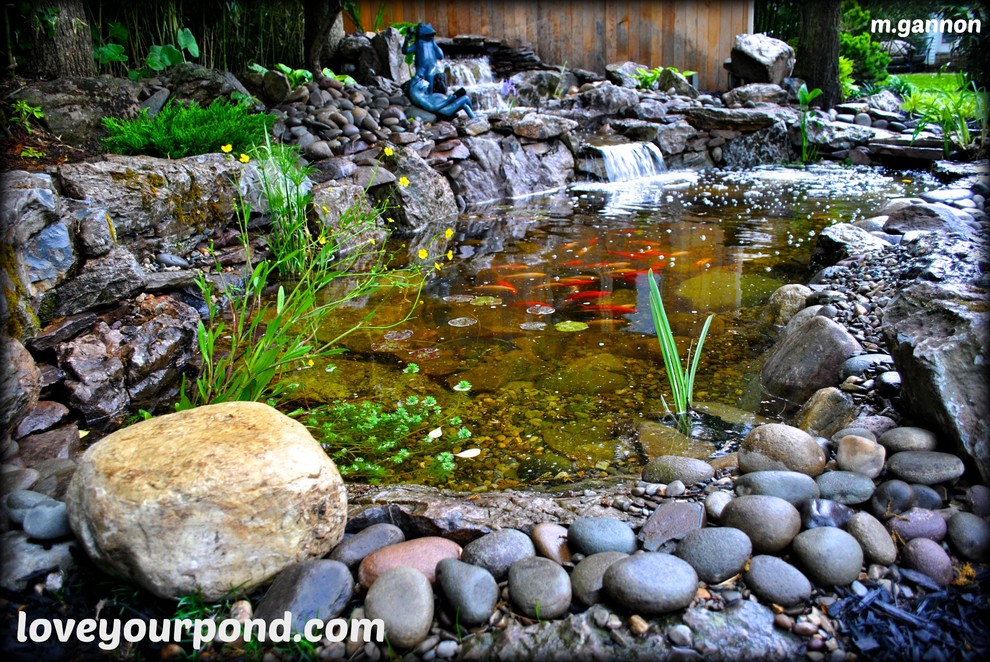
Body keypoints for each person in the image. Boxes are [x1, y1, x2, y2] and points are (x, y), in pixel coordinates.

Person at [407, 75, 475, 119]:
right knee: (465, 99)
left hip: (444, 107)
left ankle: (474, 118)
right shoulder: (420, 98)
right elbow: (432, 108)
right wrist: (447, 100)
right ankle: (475, 120)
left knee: (464, 104)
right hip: (444, 111)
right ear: (418, 85)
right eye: (421, 81)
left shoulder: (419, 93)